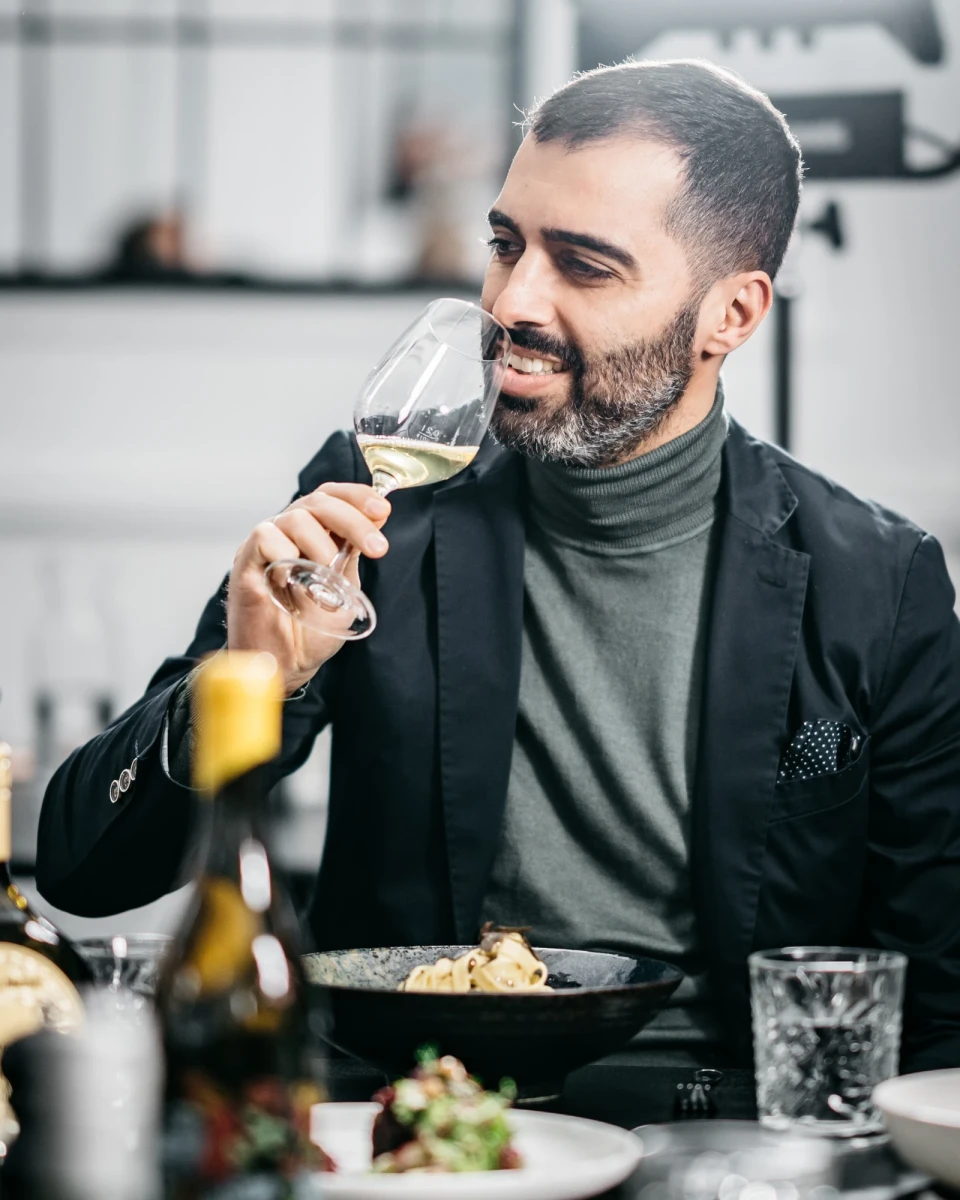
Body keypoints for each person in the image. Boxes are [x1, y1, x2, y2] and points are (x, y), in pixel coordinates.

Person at [36, 60, 960, 1071]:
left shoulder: (878, 582)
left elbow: (938, 1002)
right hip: (413, 1109)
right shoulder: (377, 506)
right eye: (505, 244)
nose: (511, 300)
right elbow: (85, 869)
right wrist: (251, 684)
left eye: (585, 264)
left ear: (730, 316)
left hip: (723, 1124)